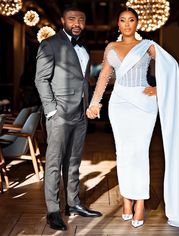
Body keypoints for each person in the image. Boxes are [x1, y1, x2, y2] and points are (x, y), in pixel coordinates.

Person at [86, 7, 179, 230]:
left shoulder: (148, 46)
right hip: (119, 104)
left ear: (138, 23)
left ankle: (140, 205)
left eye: (131, 20)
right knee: (123, 153)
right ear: (118, 24)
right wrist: (95, 103)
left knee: (140, 152)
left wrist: (159, 88)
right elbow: (104, 77)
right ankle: (127, 201)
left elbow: (171, 65)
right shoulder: (111, 47)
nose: (127, 24)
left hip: (143, 104)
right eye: (123, 20)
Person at [35, 4, 102, 231]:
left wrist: (90, 105)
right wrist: (52, 110)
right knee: (54, 163)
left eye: (81, 19)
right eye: (72, 19)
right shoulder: (50, 44)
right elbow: (41, 80)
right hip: (59, 114)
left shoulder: (84, 48)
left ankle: (73, 203)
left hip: (80, 113)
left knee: (73, 162)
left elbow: (84, 82)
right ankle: (53, 210)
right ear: (63, 21)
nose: (77, 23)